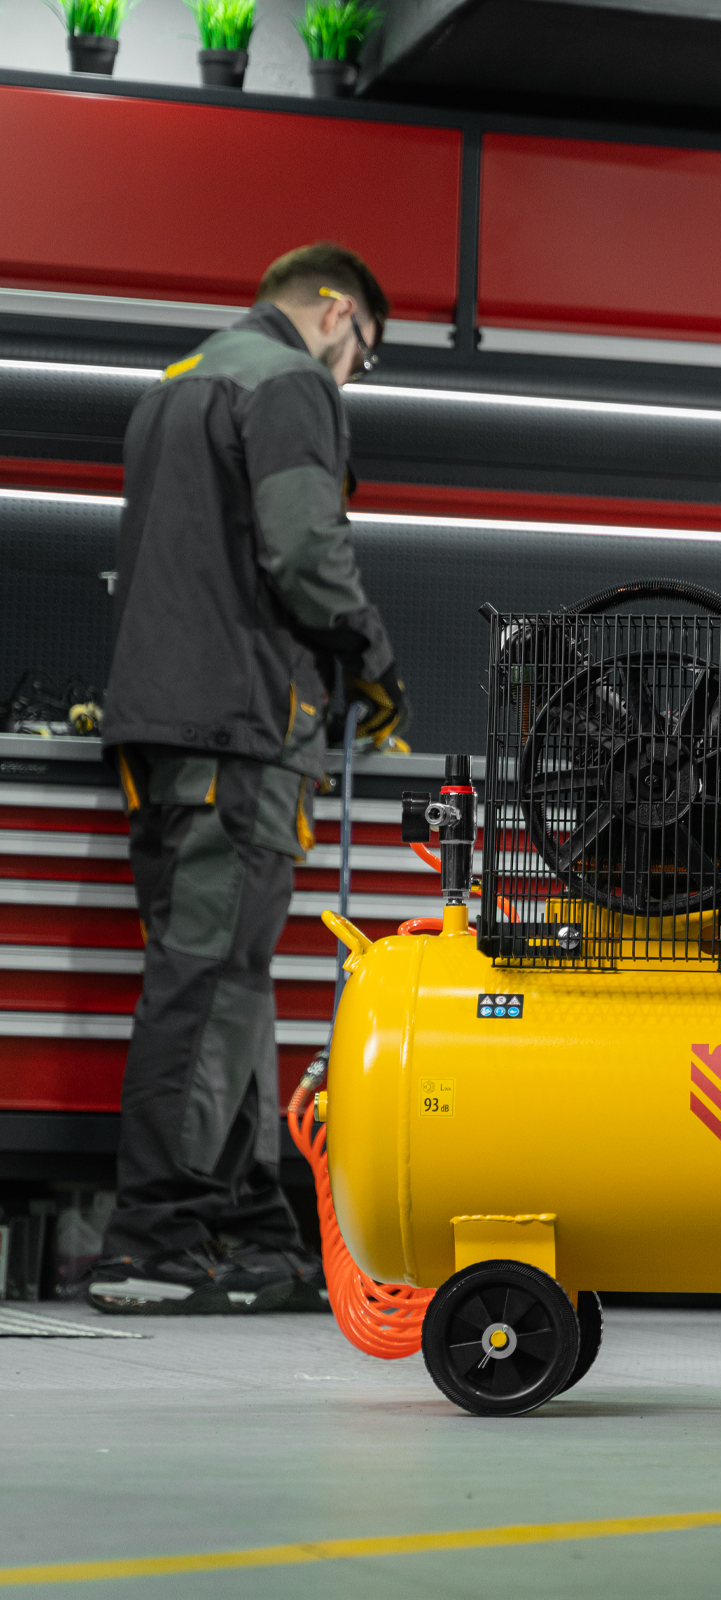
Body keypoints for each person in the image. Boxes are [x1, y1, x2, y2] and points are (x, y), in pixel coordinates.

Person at [90, 242, 409, 1314]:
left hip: (171, 725)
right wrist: (373, 661)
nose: (352, 373)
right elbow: (306, 553)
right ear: (336, 312)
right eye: (363, 352)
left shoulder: (175, 388)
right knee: (209, 977)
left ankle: (245, 1225)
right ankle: (153, 1238)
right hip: (238, 729)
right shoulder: (290, 384)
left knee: (228, 975)